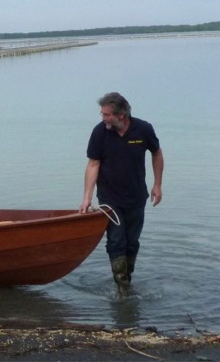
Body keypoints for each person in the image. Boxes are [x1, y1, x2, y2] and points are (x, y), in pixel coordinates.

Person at [79, 92, 164, 293]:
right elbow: (93, 165)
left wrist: (157, 184)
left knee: (131, 242)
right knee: (116, 241)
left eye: (107, 115)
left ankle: (127, 278)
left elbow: (157, 153)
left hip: (136, 197)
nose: (103, 118)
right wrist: (87, 198)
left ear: (121, 115)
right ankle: (122, 288)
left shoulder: (143, 129)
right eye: (102, 114)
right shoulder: (99, 132)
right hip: (110, 199)